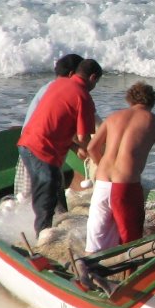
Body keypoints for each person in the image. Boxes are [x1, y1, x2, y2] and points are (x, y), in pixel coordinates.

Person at [85, 82, 155, 253]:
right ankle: (129, 278)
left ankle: (89, 275)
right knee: (130, 245)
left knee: (95, 241)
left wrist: (103, 166)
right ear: (152, 102)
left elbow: (91, 148)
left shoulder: (113, 117)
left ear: (129, 100)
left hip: (102, 183)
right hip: (125, 187)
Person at [17, 58, 102, 236]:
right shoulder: (83, 96)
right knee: (46, 193)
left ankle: (58, 224)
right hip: (42, 149)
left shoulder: (57, 84)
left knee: (55, 186)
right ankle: (43, 236)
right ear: (93, 78)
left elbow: (58, 122)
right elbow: (84, 137)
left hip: (26, 144)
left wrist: (73, 146)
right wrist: (96, 156)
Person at [15, 54, 84, 199]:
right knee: (36, 195)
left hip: (36, 146)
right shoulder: (60, 91)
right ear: (72, 74)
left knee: (42, 193)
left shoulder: (52, 88)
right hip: (37, 148)